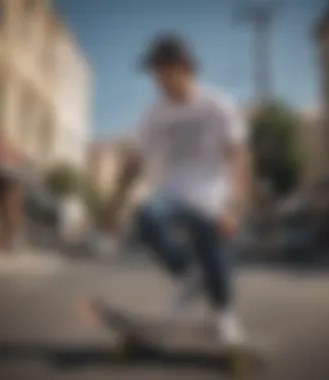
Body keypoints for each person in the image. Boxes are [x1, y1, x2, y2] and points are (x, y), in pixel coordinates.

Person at [105, 33, 249, 346]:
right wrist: (114, 204)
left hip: (212, 200)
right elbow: (135, 161)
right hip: (173, 196)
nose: (159, 81)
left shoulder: (217, 105)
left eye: (164, 72)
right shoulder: (153, 112)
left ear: (184, 68)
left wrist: (234, 206)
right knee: (146, 216)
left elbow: (236, 155)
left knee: (216, 259)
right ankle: (188, 275)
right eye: (156, 74)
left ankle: (225, 317)